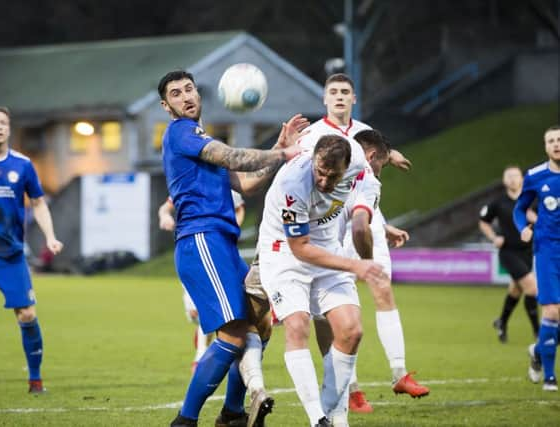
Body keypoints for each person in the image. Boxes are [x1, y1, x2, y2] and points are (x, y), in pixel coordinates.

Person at [158, 69, 307, 427]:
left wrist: (275, 149)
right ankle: (185, 420)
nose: (186, 96)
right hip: (201, 239)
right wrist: (284, 153)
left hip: (221, 242)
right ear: (166, 106)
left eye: (190, 89)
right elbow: (233, 157)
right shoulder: (181, 133)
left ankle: (234, 413)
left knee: (261, 320)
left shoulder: (199, 140)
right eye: (176, 94)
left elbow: (247, 183)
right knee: (234, 332)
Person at [258, 134, 386, 427]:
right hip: (284, 254)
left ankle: (334, 415)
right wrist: (357, 264)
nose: (325, 182)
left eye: (333, 175)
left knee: (351, 331)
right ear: (313, 159)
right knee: (297, 324)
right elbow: (300, 248)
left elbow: (375, 165)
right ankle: (318, 419)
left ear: (348, 166)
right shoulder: (295, 185)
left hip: (328, 249)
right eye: (320, 172)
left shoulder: (357, 161)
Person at [314, 129, 429, 417]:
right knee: (335, 314)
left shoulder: (363, 137)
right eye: (334, 92)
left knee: (382, 288)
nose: (340, 98)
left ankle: (400, 372)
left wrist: (384, 225)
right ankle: (350, 389)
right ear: (371, 156)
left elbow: (366, 199)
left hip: (367, 228)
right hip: (337, 237)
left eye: (345, 92)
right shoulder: (321, 141)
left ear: (352, 98)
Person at [0, 106, 64, 394]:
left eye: (3, 122)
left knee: (27, 314)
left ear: (9, 128)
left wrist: (50, 236)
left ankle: (35, 379)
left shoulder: (23, 165)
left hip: (10, 255)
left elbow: (39, 203)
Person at [158, 191, 246, 373]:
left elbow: (240, 208)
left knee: (216, 310)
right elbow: (165, 207)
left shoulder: (223, 184)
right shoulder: (185, 183)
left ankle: (201, 359)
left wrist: (232, 227)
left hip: (218, 251)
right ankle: (212, 347)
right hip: (189, 253)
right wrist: (165, 216)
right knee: (197, 314)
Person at [514, 125, 560, 392]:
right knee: (552, 310)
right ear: (545, 147)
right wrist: (523, 227)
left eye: (559, 140)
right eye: (551, 141)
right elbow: (520, 209)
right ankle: (550, 377)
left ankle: (538, 351)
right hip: (547, 251)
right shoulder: (535, 176)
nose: (556, 144)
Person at [479, 166, 539, 343]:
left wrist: (534, 218)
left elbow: (545, 221)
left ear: (522, 179)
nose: (513, 179)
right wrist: (493, 237)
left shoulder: (531, 200)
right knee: (532, 288)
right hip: (508, 252)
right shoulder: (498, 202)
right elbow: (483, 222)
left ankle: (501, 322)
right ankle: (538, 333)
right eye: (509, 176)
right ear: (504, 180)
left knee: (516, 289)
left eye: (516, 176)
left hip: (528, 251)